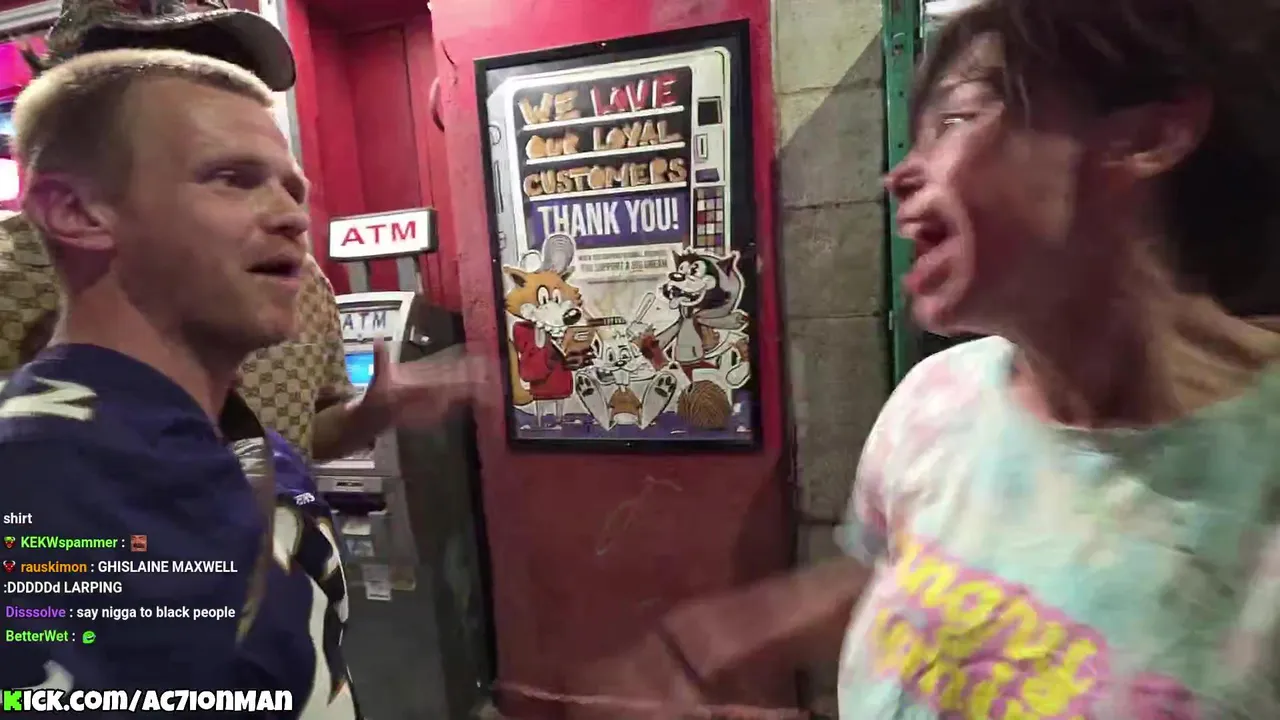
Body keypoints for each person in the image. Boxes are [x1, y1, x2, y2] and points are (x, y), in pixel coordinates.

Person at [599, 1, 1280, 718]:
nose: (898, 175)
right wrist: (745, 629)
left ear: (1145, 137)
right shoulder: (935, 400)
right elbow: (915, 571)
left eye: (958, 117)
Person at [0, 48, 357, 716]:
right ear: (75, 210)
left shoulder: (255, 450)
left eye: (292, 189)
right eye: (233, 178)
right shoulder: (33, 478)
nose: (293, 216)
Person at [0, 0, 479, 462]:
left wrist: (370, 414)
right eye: (155, 69)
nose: (209, 91)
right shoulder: (12, 270)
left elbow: (301, 432)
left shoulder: (300, 281)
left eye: (224, 69)